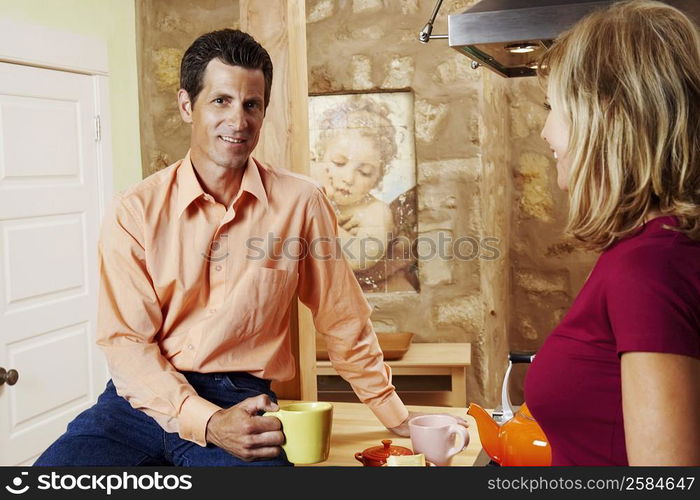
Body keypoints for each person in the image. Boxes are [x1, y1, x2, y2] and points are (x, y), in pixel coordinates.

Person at [33, 29, 432, 467]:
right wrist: (204, 421)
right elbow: (126, 343)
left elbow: (343, 318)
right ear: (188, 106)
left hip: (243, 402)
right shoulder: (135, 211)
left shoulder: (301, 202)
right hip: (135, 405)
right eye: (221, 101)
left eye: (251, 104)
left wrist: (394, 414)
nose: (238, 121)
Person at [525, 0, 700, 466]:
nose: (545, 133)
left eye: (553, 107)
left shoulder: (649, 266)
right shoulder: (660, 246)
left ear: (606, 113)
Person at [312, 96, 418, 292]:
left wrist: (323, 217)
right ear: (320, 156)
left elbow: (357, 258)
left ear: (378, 177)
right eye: (338, 163)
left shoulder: (376, 212)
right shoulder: (311, 185)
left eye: (364, 172)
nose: (348, 178)